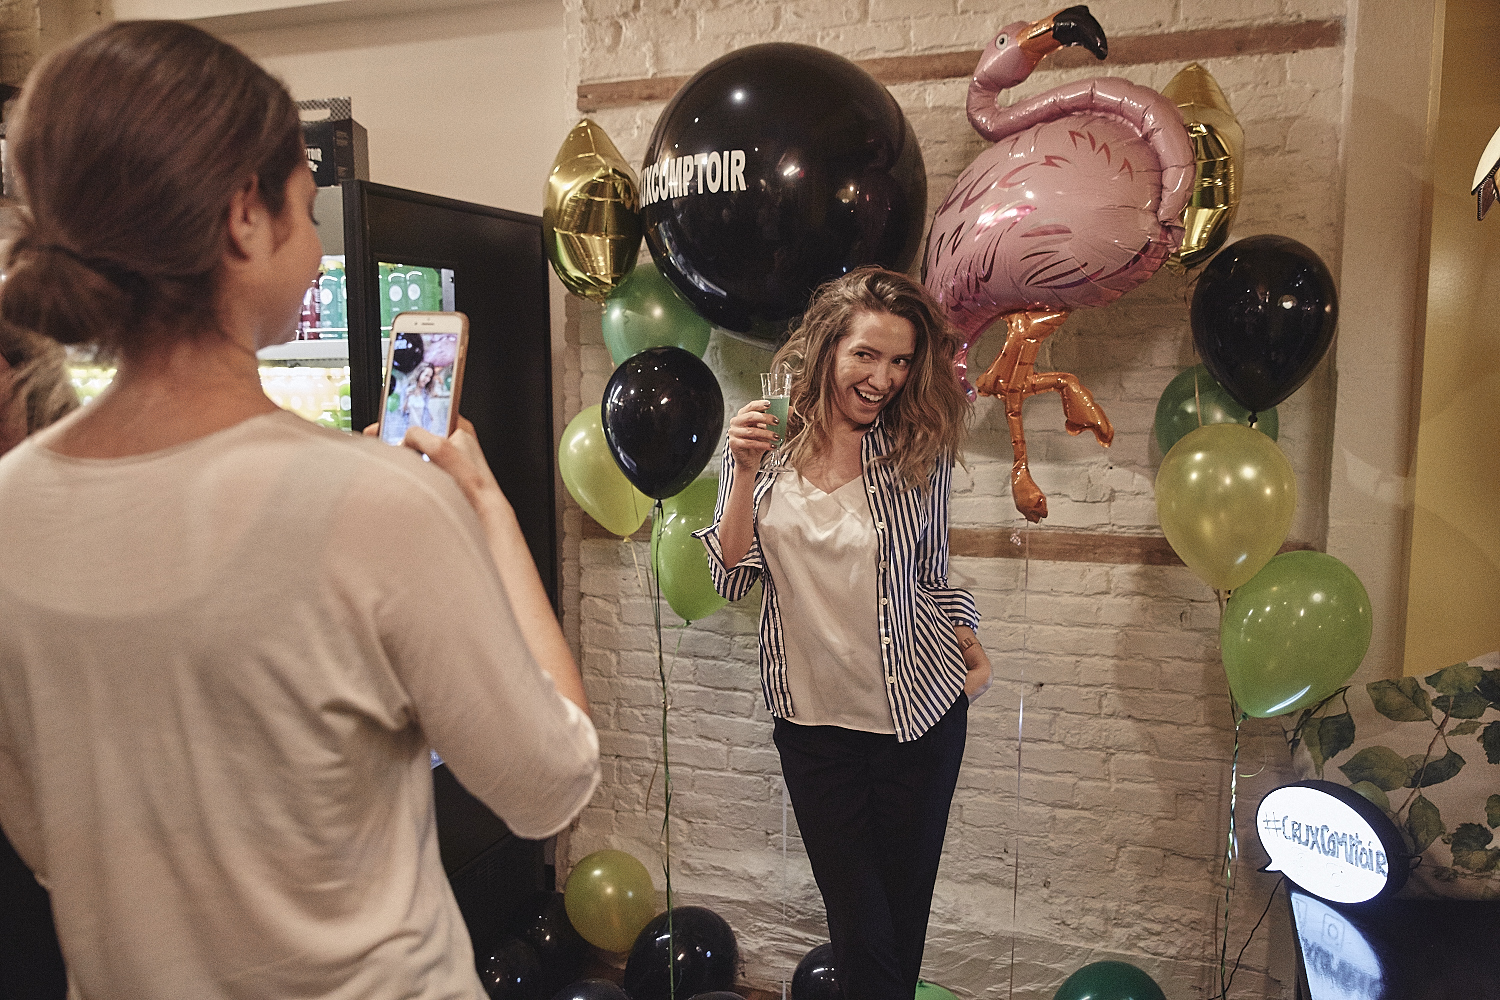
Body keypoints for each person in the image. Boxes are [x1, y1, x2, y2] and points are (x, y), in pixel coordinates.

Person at [0, 21, 598, 1000]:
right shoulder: (376, 504)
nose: (318, 240)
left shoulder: (10, 509)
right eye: (307, 205)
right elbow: (549, 783)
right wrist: (483, 503)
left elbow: (49, 840)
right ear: (245, 216)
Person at [697, 267, 992, 1000]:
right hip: (814, 733)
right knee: (860, 929)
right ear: (829, 348)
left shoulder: (918, 450)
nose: (884, 378)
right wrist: (739, 470)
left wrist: (968, 640)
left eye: (899, 361)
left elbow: (932, 569)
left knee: (899, 925)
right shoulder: (766, 444)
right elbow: (732, 576)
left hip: (919, 724)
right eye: (867, 355)